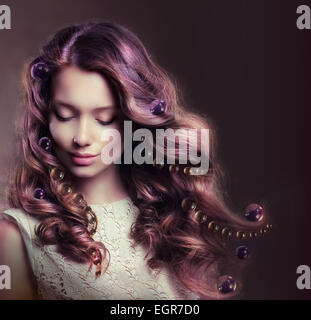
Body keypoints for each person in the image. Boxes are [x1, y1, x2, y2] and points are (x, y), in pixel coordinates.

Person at [0, 21, 272, 300]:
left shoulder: (173, 218)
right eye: (66, 115)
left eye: (104, 118)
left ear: (133, 120)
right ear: (47, 117)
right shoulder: (19, 235)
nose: (81, 137)